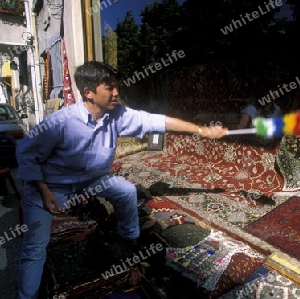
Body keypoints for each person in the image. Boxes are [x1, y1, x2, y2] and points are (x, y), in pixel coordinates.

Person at [15, 60, 228, 299]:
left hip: (90, 181)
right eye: (109, 88)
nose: (116, 93)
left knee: (125, 190)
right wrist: (44, 190)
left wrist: (200, 130)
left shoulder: (117, 115)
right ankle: (27, 295)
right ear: (89, 92)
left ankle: (128, 240)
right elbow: (25, 153)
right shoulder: (60, 123)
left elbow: (157, 121)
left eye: (116, 86)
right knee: (34, 248)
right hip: (50, 185)